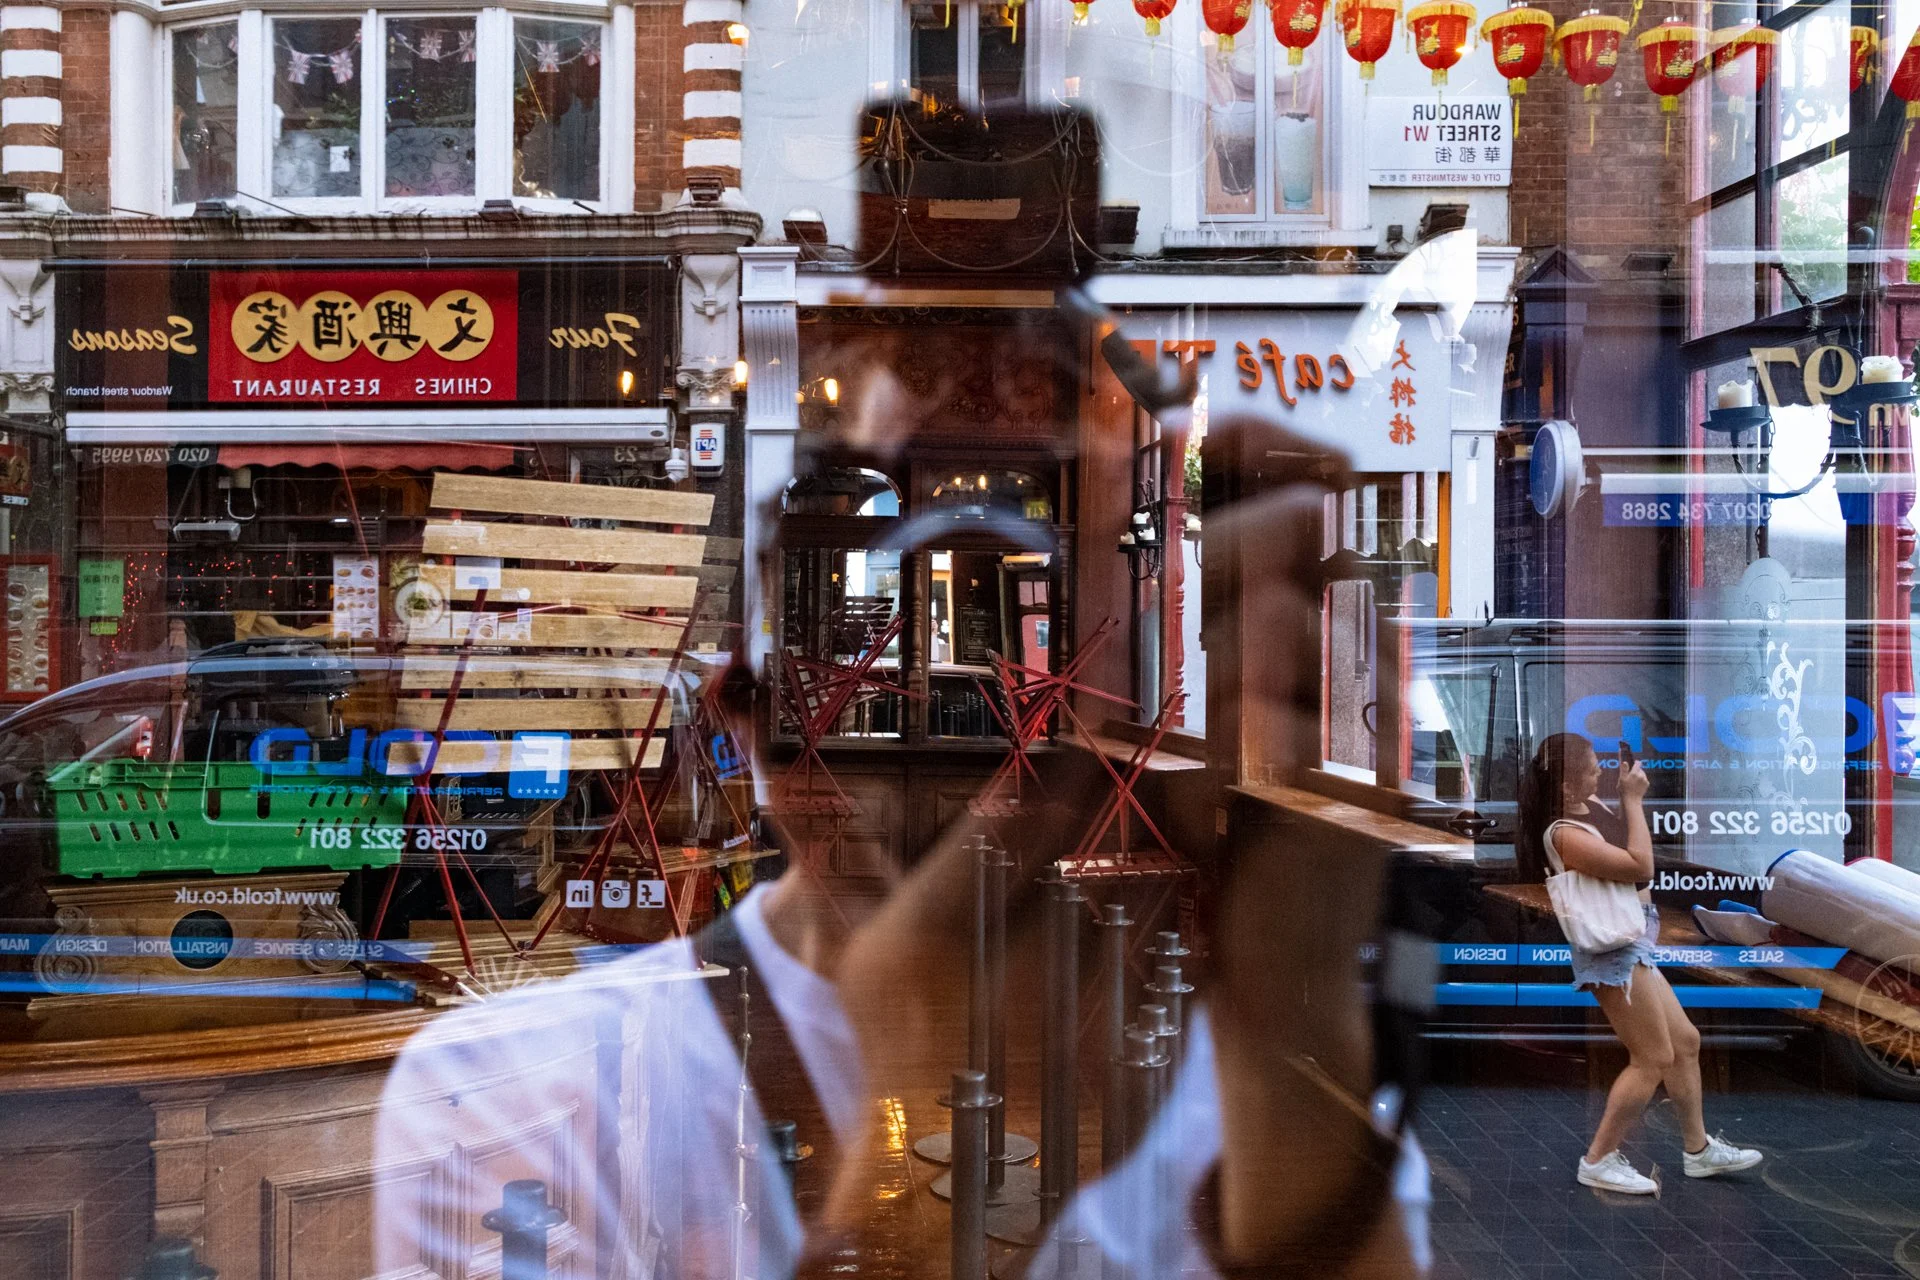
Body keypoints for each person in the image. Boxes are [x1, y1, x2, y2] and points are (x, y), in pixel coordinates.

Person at [1516, 732, 1762, 1195]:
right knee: (1652, 1057)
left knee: (1685, 1041)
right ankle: (1599, 1158)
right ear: (1566, 787)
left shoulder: (1590, 811)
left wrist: (1624, 800)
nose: (1601, 773)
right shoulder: (1563, 833)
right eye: (1591, 768)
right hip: (1611, 952)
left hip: (1633, 940)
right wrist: (1632, 800)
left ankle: (1698, 1150)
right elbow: (1641, 867)